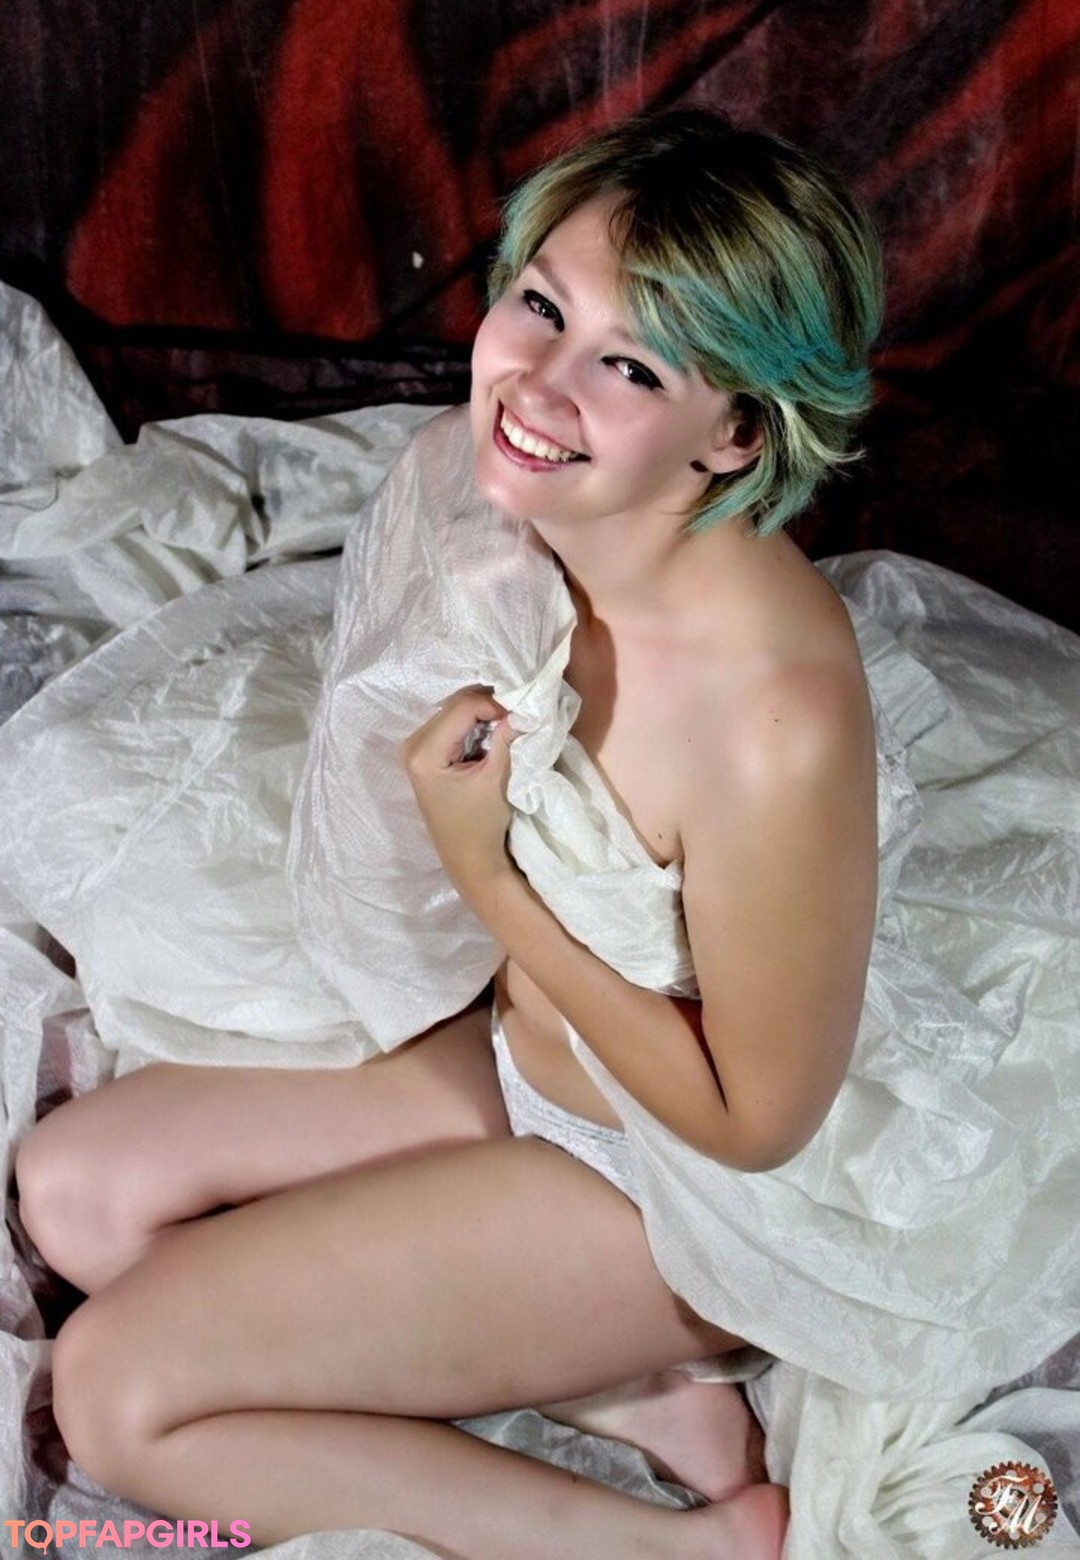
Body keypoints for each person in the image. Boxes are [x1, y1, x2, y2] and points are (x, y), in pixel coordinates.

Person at [15, 107, 885, 1558]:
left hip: (674, 1196)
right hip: (523, 1061)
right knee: (74, 1197)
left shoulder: (768, 718)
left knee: (115, 1396)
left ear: (738, 432)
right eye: (541, 304)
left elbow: (757, 1124)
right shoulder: (519, 507)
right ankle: (618, 1383)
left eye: (630, 366)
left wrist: (487, 870)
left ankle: (682, 1543)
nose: (537, 384)